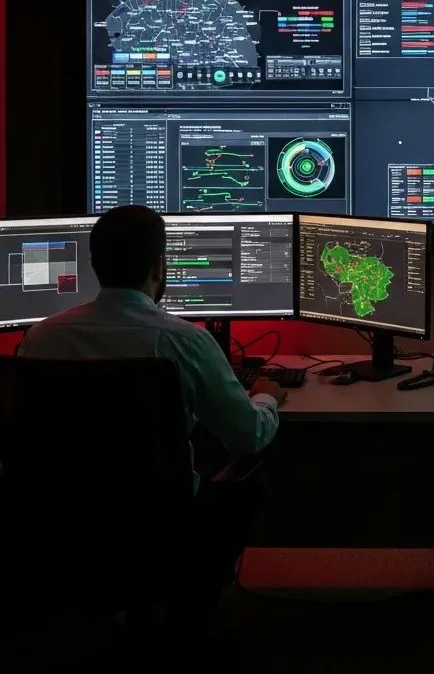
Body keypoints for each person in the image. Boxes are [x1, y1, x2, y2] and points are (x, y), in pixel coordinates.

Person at [18, 205, 285, 625]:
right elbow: (249, 437)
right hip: (161, 533)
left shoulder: (40, 339)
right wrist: (266, 396)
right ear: (160, 265)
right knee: (248, 484)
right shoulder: (183, 342)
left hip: (63, 530)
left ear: (94, 264)